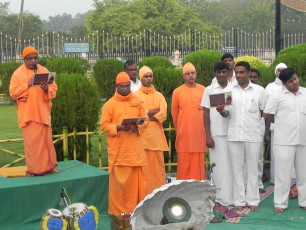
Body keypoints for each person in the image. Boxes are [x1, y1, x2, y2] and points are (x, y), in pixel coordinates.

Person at [216, 61, 265, 211]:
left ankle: (253, 201)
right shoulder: (230, 90)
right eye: (236, 72)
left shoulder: (259, 91)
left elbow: (263, 111)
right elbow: (226, 114)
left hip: (253, 135)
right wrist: (221, 111)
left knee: (252, 169)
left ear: (249, 73)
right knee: (237, 170)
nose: (238, 75)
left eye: (242, 72)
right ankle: (239, 201)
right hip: (235, 135)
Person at [100, 71, 148, 216]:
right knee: (122, 185)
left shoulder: (137, 101)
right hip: (120, 151)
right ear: (116, 87)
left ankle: (137, 211)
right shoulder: (110, 105)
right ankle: (119, 212)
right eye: (122, 86)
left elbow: (145, 120)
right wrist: (120, 127)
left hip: (136, 151)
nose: (126, 89)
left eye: (127, 86)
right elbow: (104, 126)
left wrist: (137, 127)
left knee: (138, 184)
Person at [9, 46, 58, 176]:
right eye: (29, 59)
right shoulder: (17, 74)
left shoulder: (43, 70)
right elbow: (13, 93)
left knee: (45, 142)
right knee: (33, 145)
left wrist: (47, 89)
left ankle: (47, 168)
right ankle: (35, 170)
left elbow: (54, 89)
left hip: (43, 113)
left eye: (35, 58)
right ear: (24, 59)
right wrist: (28, 84)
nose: (33, 61)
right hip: (29, 115)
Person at [263, 68, 306, 213]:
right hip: (284, 140)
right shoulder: (277, 95)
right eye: (291, 81)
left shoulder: (305, 92)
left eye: (295, 78)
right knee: (283, 173)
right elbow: (267, 113)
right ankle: (280, 203)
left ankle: (304, 201)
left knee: (304, 173)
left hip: (303, 139)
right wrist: (281, 121)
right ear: (283, 83)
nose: (295, 82)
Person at [201, 62, 234, 206]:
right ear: (215, 73)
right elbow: (205, 114)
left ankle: (235, 198)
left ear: (228, 72)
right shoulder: (209, 90)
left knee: (235, 167)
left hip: (234, 133)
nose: (221, 75)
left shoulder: (235, 88)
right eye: (218, 72)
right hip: (216, 134)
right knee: (219, 168)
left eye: (223, 72)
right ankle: (221, 198)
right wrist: (208, 136)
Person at [134, 66, 169, 194]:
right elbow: (137, 117)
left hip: (156, 140)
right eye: (145, 76)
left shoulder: (159, 95)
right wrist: (152, 112)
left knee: (158, 170)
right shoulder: (135, 96)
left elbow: (163, 114)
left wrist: (146, 114)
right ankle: (144, 195)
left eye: (150, 76)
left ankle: (159, 194)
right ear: (140, 78)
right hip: (141, 139)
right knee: (144, 171)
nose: (149, 79)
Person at [171, 62, 206, 180]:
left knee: (198, 160)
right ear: (183, 76)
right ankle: (184, 189)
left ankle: (198, 188)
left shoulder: (203, 90)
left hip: (199, 133)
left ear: (196, 74)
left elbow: (207, 112)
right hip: (184, 133)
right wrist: (179, 130)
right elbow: (174, 114)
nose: (190, 75)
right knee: (184, 162)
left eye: (192, 73)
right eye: (187, 74)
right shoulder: (177, 92)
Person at [265, 63, 287, 185]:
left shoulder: (290, 86)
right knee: (275, 155)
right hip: (274, 127)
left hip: (289, 128)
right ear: (275, 71)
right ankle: (274, 178)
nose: (281, 72)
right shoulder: (270, 87)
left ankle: (290, 179)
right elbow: (267, 110)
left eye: (283, 70)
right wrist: (266, 130)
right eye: (279, 70)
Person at [249, 68, 266, 193]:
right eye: (250, 77)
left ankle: (259, 184)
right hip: (244, 130)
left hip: (259, 128)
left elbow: (265, 111)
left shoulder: (261, 91)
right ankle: (247, 185)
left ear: (258, 79)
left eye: (255, 77)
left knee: (258, 157)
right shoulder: (241, 91)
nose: (252, 79)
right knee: (245, 159)